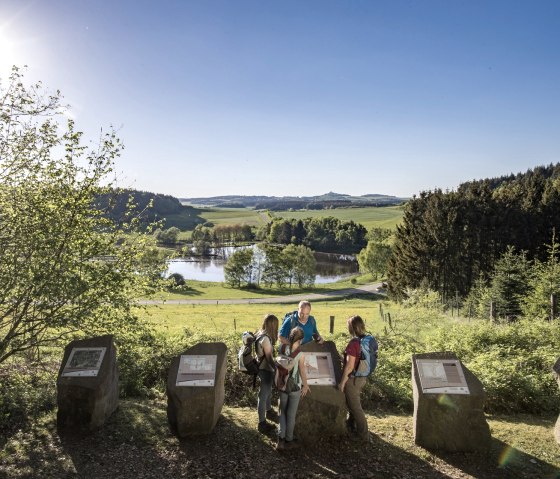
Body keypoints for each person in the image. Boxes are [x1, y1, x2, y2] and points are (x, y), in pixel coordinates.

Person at [276, 326, 310, 450]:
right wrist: (305, 386)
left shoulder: (282, 347)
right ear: (300, 340)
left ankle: (280, 440)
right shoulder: (300, 353)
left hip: (282, 384)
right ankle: (289, 440)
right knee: (291, 415)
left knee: (282, 412)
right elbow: (302, 371)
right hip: (295, 386)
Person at [338, 315, 370, 442]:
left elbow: (350, 366)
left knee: (355, 407)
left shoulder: (353, 343)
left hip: (353, 379)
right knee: (353, 403)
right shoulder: (367, 340)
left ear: (351, 328)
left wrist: (342, 383)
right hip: (362, 377)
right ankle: (352, 425)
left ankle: (363, 435)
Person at [255, 314, 279, 433]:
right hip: (265, 369)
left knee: (267, 390)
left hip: (261, 368)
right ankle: (262, 423)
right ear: (273, 325)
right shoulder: (266, 339)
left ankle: (269, 411)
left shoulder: (259, 333)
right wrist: (276, 369)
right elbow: (269, 358)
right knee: (263, 395)